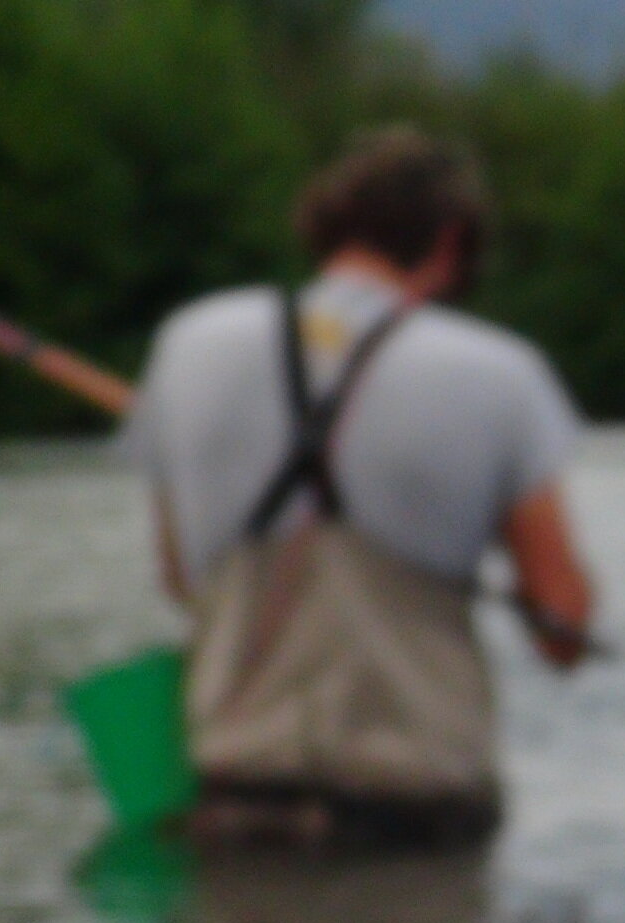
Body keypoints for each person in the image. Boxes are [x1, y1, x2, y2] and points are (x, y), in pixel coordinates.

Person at [121, 127, 597, 851]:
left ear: (328, 225)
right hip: (416, 812)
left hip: (235, 806)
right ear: (450, 243)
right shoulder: (500, 374)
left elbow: (181, 579)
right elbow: (563, 630)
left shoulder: (188, 344)